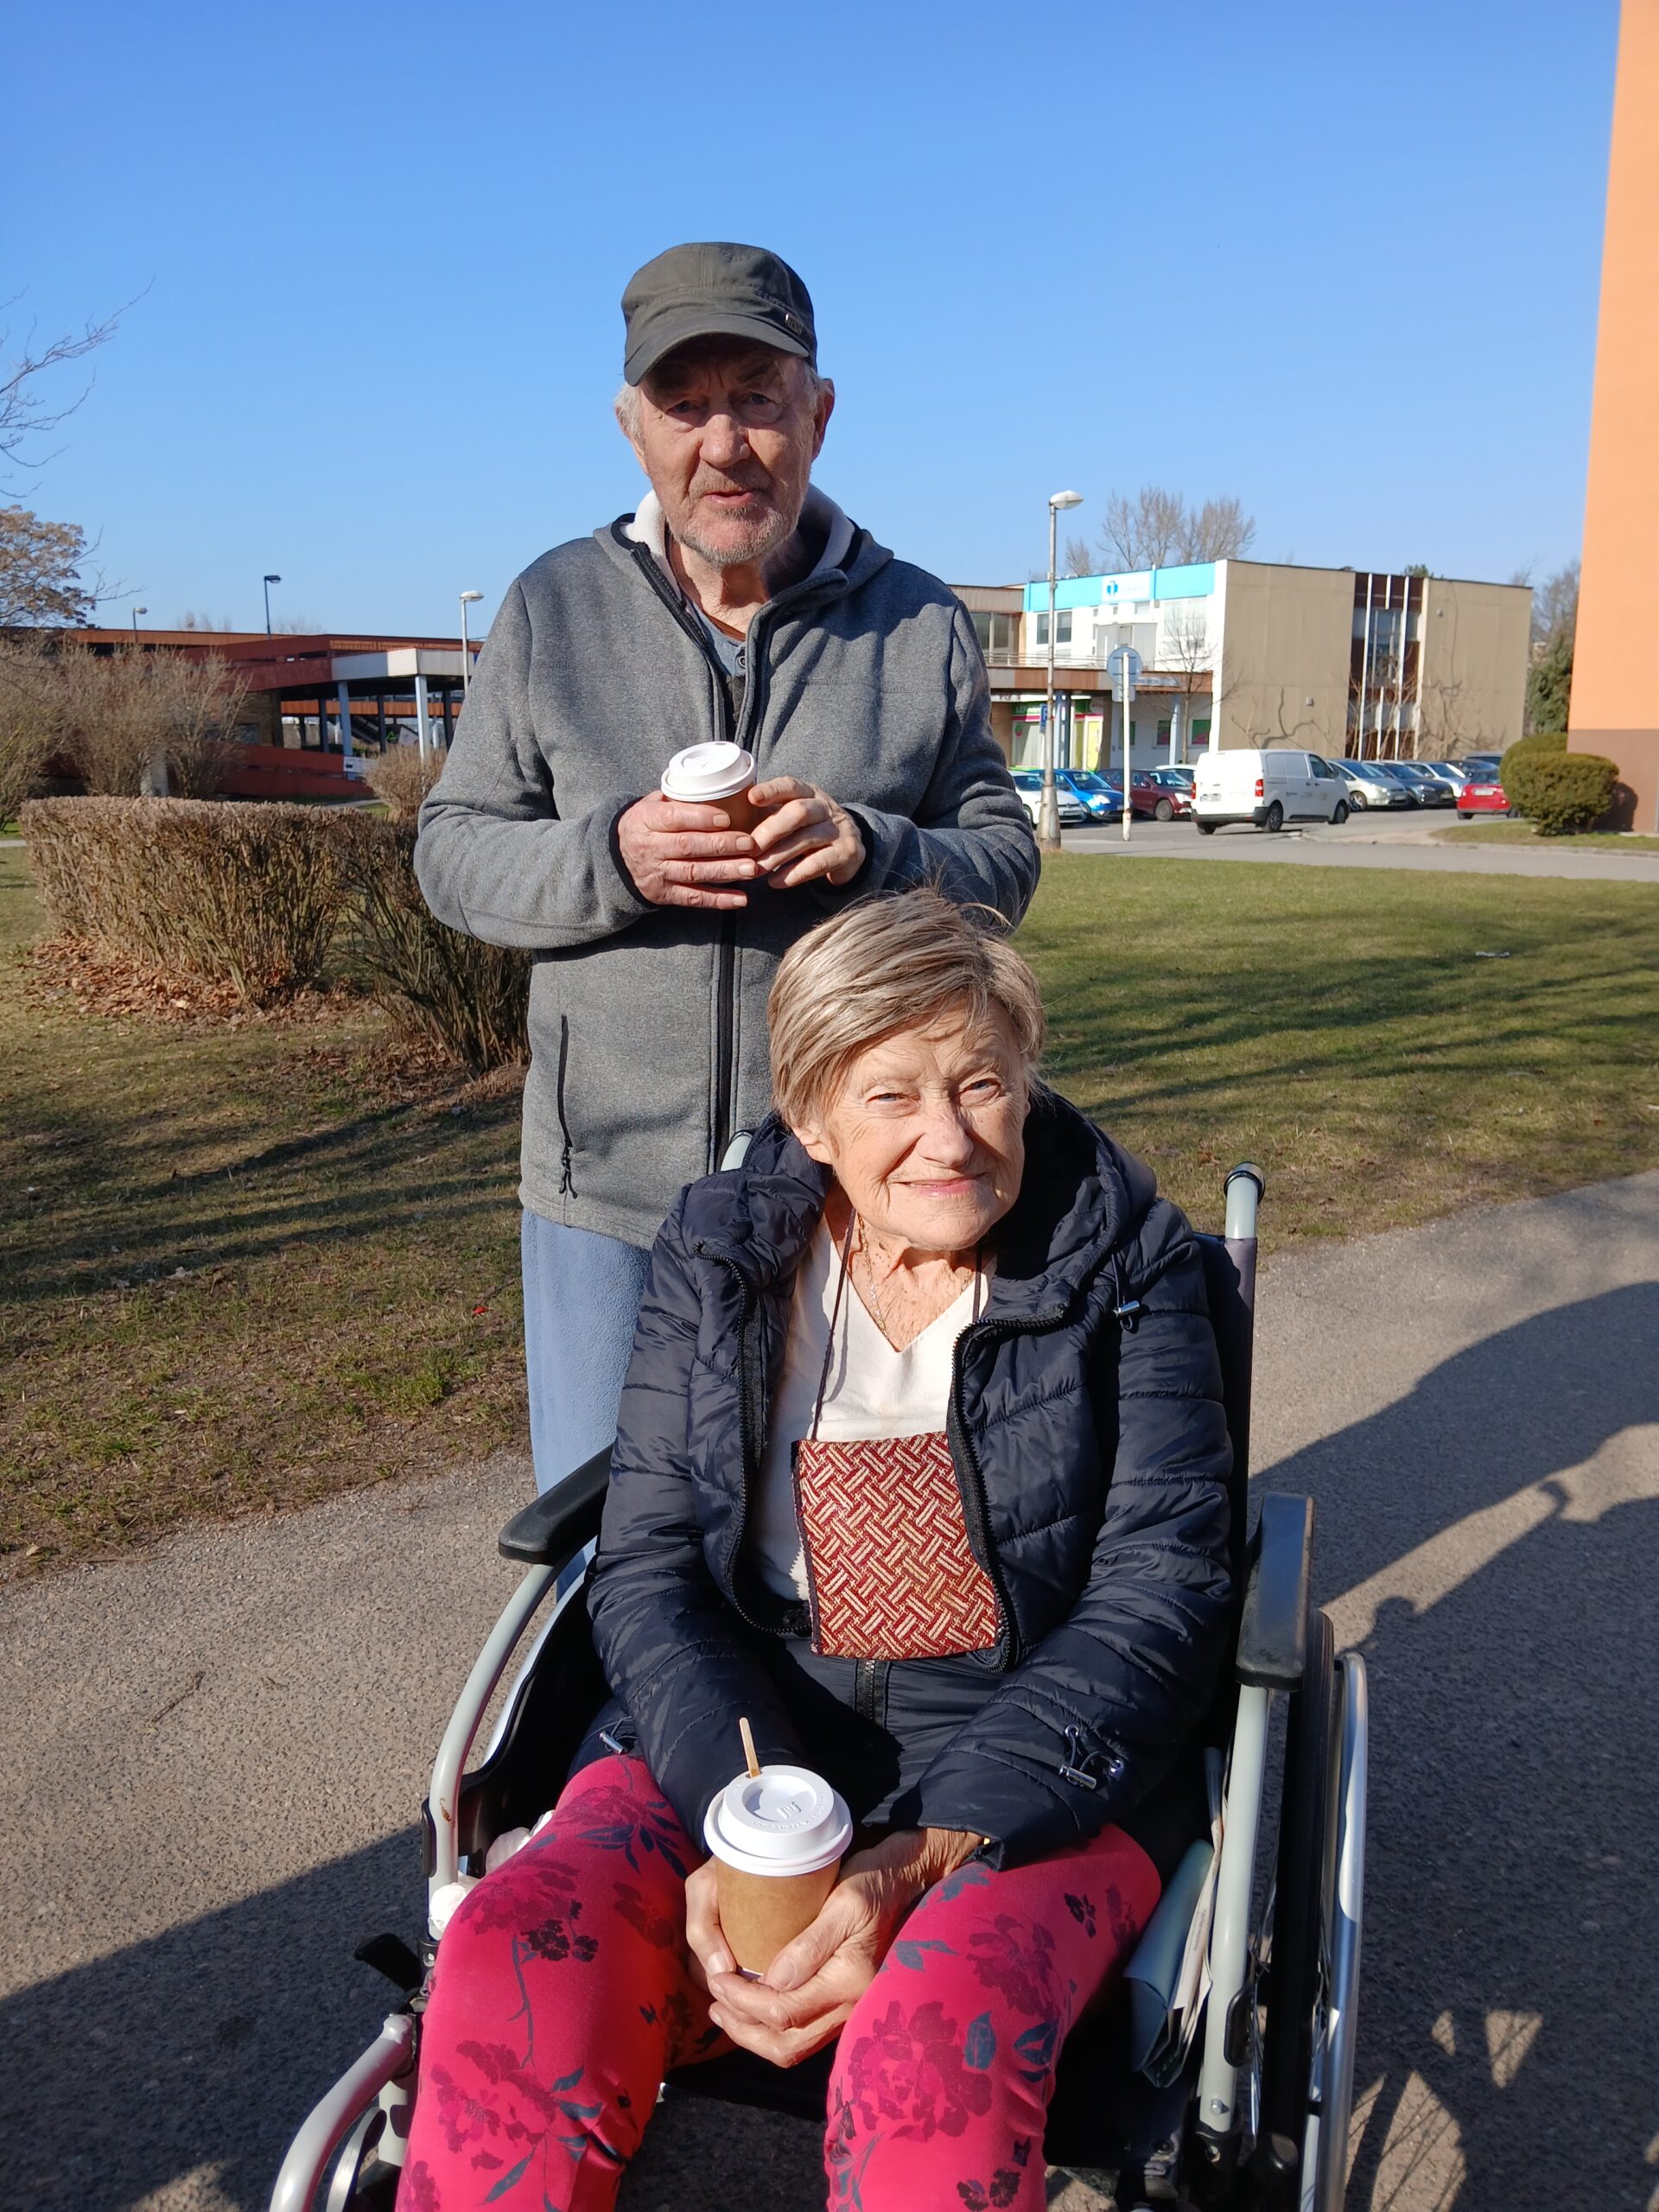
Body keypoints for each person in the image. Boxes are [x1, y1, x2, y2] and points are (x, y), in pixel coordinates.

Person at [398, 890, 1234, 2212]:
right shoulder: (721, 1249)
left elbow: (1159, 1596)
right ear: (810, 1119)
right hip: (745, 1722)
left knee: (934, 2059)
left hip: (1042, 1755)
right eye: (890, 1096)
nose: (948, 1138)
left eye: (982, 1084)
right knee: (516, 1957)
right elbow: (652, 1560)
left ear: (1026, 1080)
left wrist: (927, 1852)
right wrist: (743, 1817)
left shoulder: (1130, 1264)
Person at [415, 242, 1039, 1493]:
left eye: (758, 398)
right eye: (685, 405)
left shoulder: (916, 620)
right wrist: (612, 857)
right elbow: (453, 852)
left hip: (839, 1189)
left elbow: (1003, 856)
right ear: (631, 426)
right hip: (605, 1196)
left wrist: (877, 851)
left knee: (815, 1537)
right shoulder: (553, 607)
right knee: (605, 1533)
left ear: (820, 412)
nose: (725, 444)